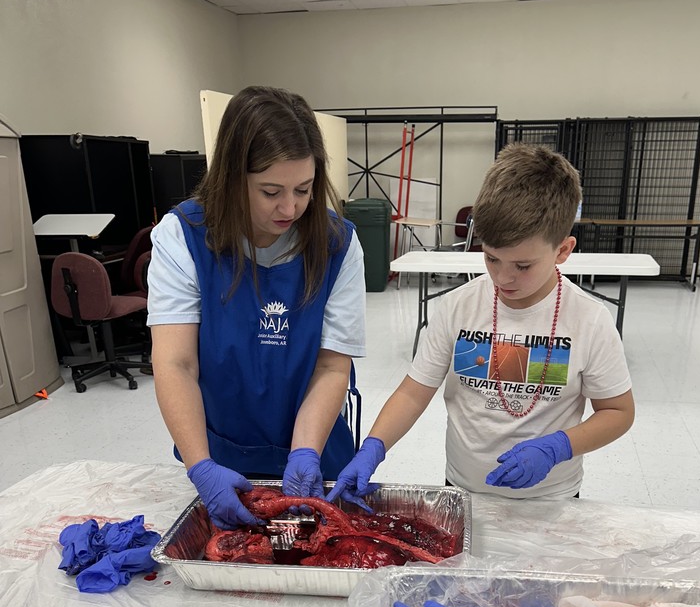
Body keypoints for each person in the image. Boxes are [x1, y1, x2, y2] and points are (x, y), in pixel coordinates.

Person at [327, 143, 634, 509]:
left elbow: (618, 412)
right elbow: (414, 392)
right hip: (463, 488)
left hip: (551, 497)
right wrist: (373, 446)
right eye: (491, 257)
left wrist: (558, 447)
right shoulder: (459, 306)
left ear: (563, 251)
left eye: (522, 266)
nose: (503, 277)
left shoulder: (589, 320)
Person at [147, 86, 366, 529]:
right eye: (270, 191)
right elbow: (176, 363)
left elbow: (330, 367)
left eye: (303, 189)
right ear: (232, 179)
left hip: (314, 450)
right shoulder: (184, 237)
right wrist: (201, 468)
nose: (290, 207)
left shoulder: (337, 244)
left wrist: (305, 450)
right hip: (221, 456)